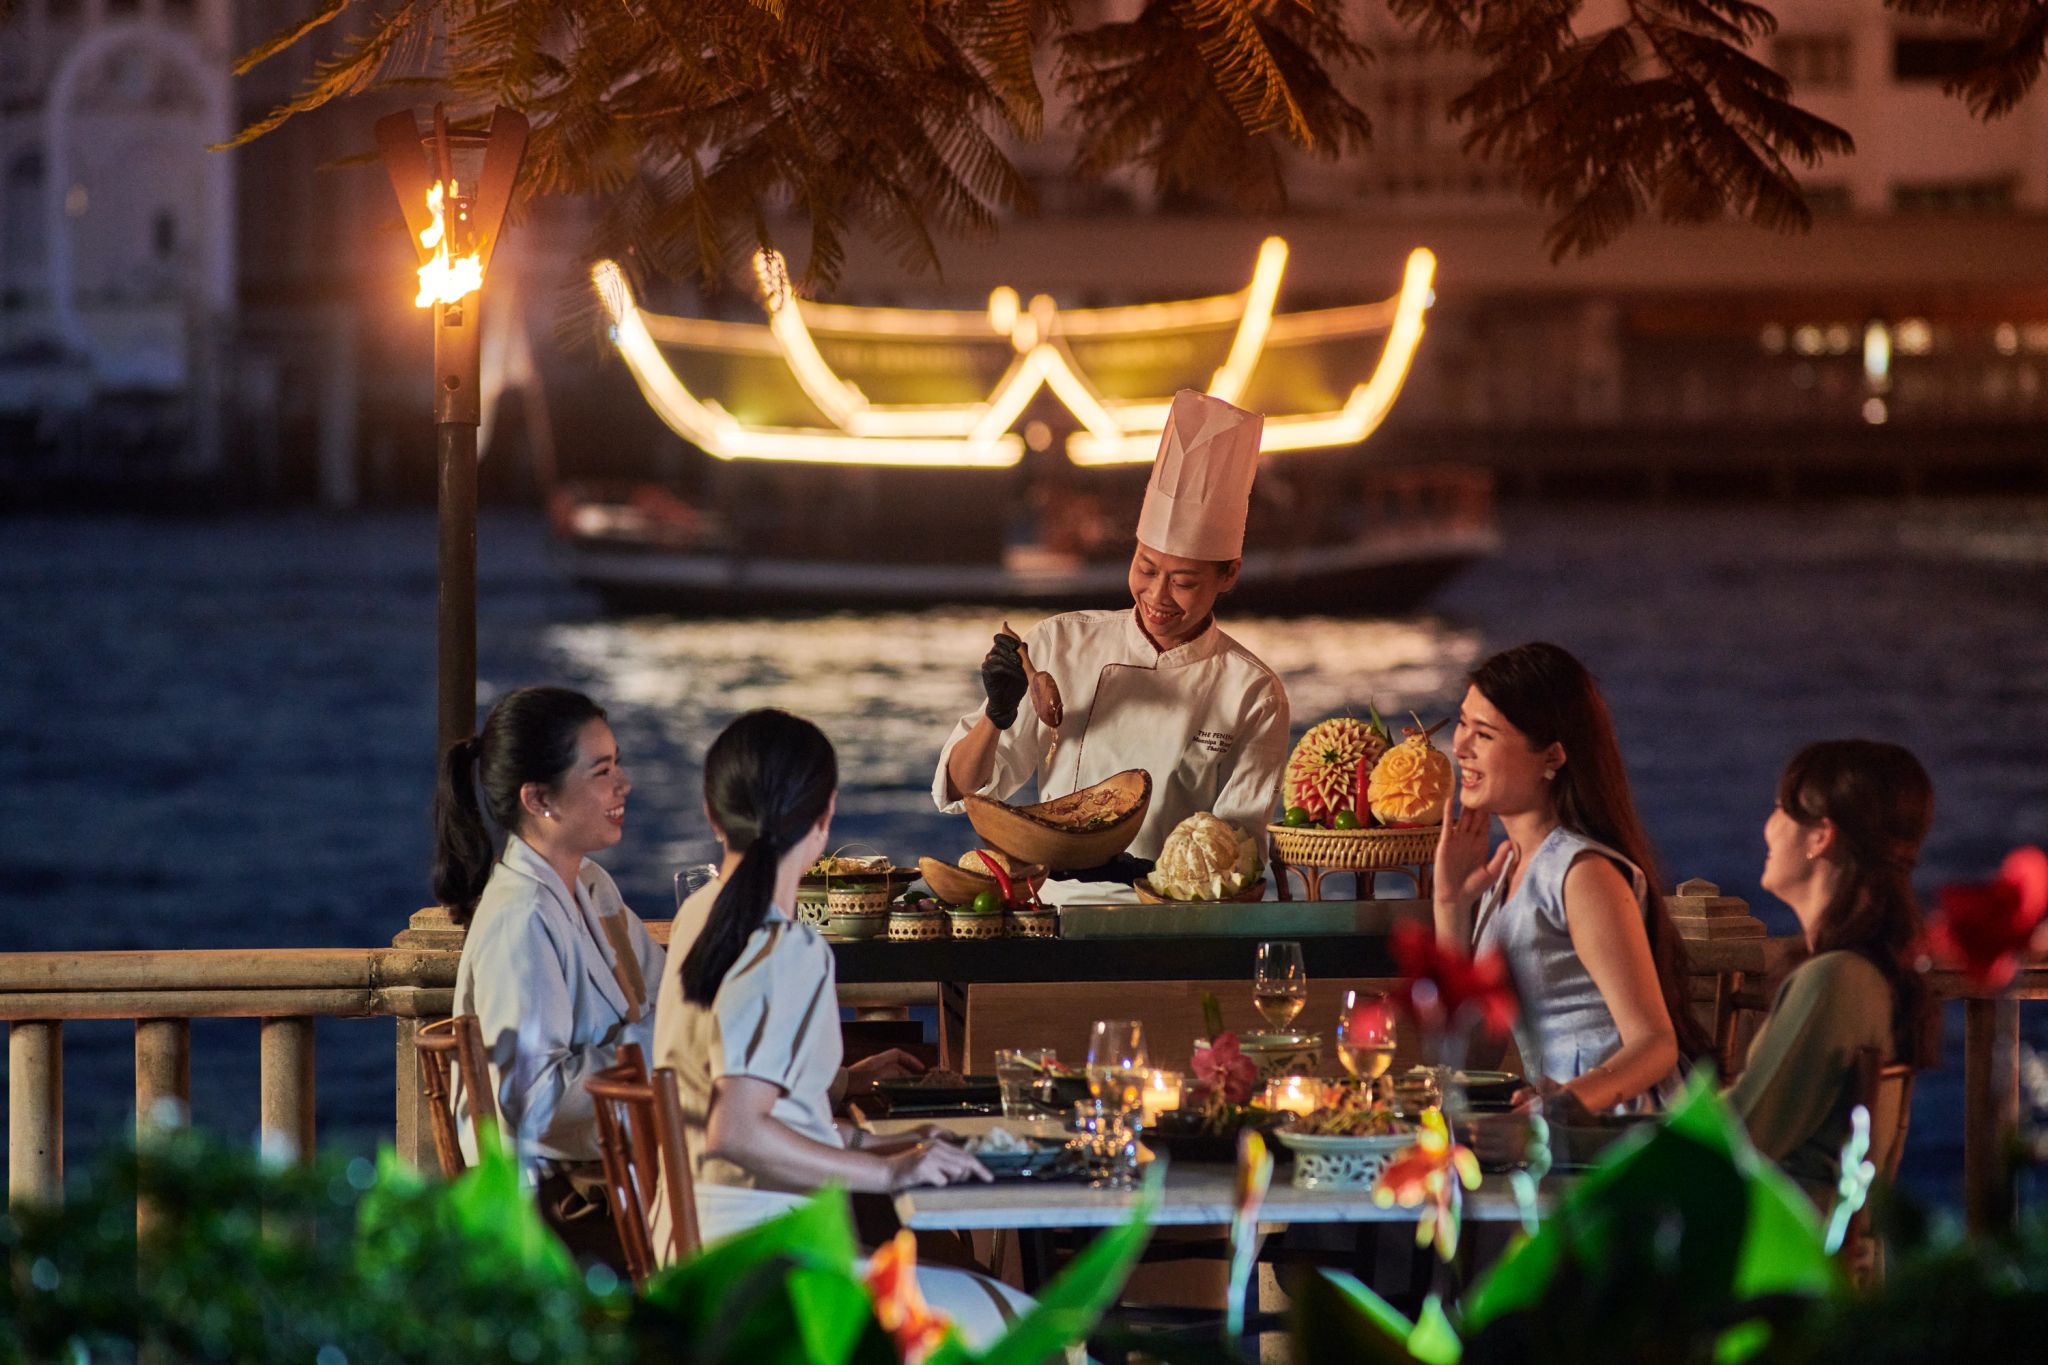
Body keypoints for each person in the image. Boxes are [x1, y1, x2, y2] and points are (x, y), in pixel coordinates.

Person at [655, 709, 1031, 1342]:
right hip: (771, 1269)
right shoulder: (786, 947)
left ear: (712, 814)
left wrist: (881, 1146)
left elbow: (754, 1113)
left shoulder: (699, 913)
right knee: (1034, 1330)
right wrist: (889, 1174)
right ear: (824, 817)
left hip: (690, 1248)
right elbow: (737, 1129)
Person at [933, 390, 1290, 875]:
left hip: (1178, 922)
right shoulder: (1060, 644)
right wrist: (996, 715)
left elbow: (1238, 854)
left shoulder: (1253, 692)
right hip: (1057, 913)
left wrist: (1137, 873)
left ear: (1228, 575)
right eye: (1146, 568)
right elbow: (964, 792)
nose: (1157, 595)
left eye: (1184, 581)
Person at [435, 685, 665, 1257]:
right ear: (540, 799)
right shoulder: (521, 920)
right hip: (564, 1209)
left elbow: (670, 993)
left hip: (624, 1172)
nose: (622, 786)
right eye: (602, 771)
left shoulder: (591, 885)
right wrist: (663, 1045)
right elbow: (534, 1101)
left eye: (617, 766)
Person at [1434, 642, 1709, 1112]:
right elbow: (1469, 1055)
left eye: (1484, 734)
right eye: (1462, 723)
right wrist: (1450, 905)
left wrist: (1558, 1109)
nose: (1460, 746)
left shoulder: (1581, 873)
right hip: (1559, 1133)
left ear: (1553, 757)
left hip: (1622, 1133)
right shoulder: (1507, 874)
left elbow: (1655, 1044)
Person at [1727, 740, 1939, 1201]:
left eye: (1780, 809)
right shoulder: (1867, 972)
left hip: (1782, 1254)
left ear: (1821, 836)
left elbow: (1738, 1138)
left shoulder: (1835, 979)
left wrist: (1581, 1131)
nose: (1768, 828)